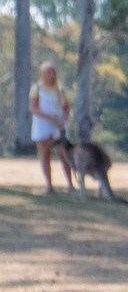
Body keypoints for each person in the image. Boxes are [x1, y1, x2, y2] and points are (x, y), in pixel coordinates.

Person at [28, 62, 75, 195]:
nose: (51, 75)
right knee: (45, 155)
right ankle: (49, 185)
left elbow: (66, 107)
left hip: (58, 126)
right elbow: (33, 108)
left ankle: (70, 185)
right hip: (42, 125)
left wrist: (64, 119)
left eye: (53, 72)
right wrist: (50, 117)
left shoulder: (60, 89)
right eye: (48, 72)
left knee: (64, 154)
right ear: (42, 73)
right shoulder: (36, 88)